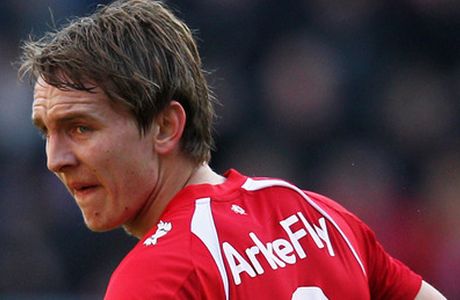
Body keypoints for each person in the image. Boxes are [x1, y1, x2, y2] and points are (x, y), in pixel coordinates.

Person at [19, 0, 446, 299]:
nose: (55, 159)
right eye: (47, 133)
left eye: (80, 128)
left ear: (165, 127)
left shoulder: (161, 276)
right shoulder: (320, 216)